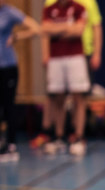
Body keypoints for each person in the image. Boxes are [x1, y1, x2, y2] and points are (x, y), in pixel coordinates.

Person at [40, 0, 89, 157]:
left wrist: (56, 29)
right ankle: (58, 136)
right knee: (58, 98)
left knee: (78, 97)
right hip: (56, 58)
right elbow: (45, 29)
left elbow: (79, 31)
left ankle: (78, 137)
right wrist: (68, 27)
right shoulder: (49, 10)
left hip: (75, 57)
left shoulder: (79, 8)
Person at [0, 0, 40, 163]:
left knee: (8, 105)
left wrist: (17, 36)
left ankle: (11, 145)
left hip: (8, 67)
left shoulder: (9, 12)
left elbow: (35, 28)